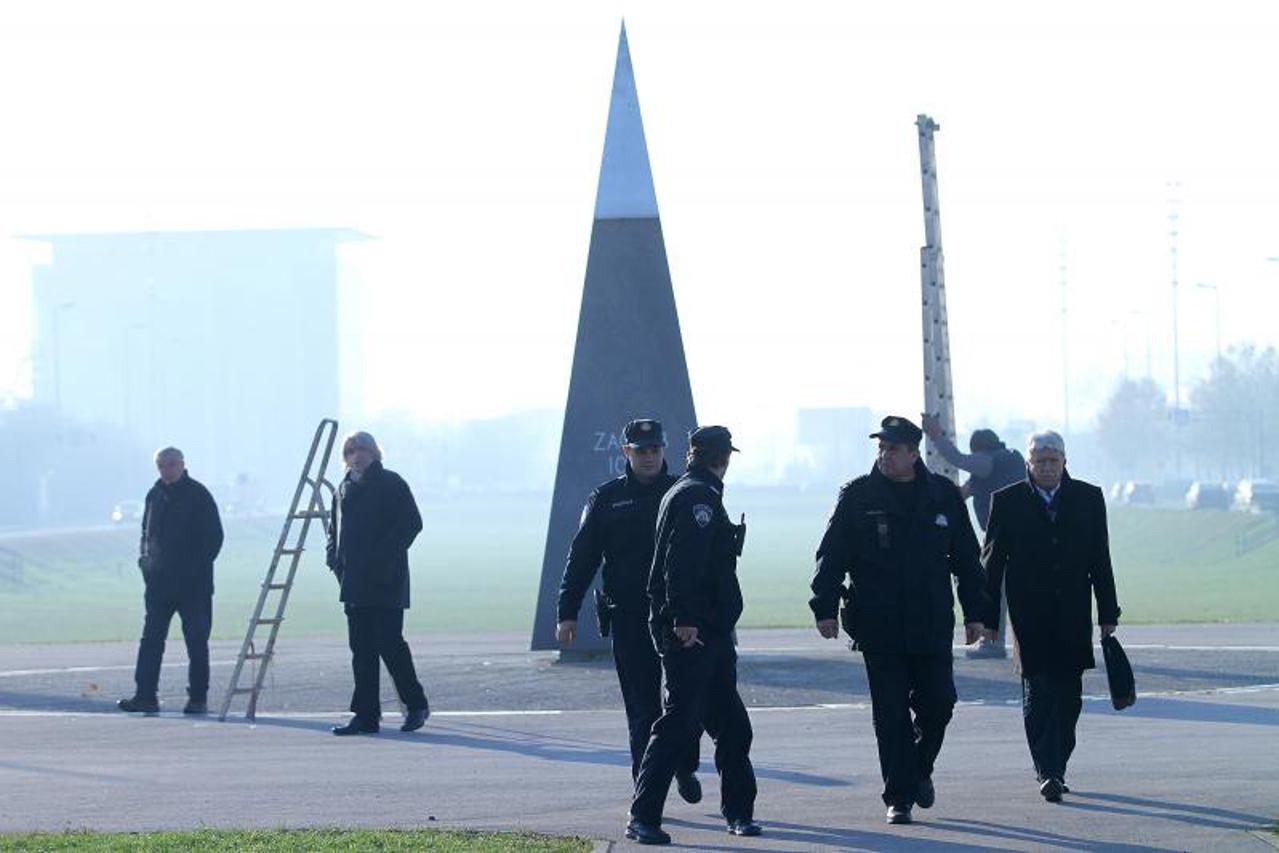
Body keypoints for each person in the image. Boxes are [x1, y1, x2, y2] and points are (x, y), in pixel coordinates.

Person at [810, 416, 987, 825]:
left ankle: (919, 768)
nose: (885, 455)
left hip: (931, 622)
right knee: (890, 715)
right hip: (879, 625)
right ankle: (899, 796)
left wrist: (976, 612)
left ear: (913, 453)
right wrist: (824, 606)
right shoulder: (858, 497)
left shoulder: (942, 496)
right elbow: (832, 555)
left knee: (940, 703)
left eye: (893, 449)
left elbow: (966, 559)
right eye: (881, 448)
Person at [555, 418, 701, 802]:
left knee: (686, 706)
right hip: (630, 618)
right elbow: (582, 557)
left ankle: (685, 766)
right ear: (626, 453)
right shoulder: (606, 499)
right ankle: (646, 794)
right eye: (640, 450)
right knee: (642, 710)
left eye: (654, 449)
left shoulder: (683, 492)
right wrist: (567, 610)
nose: (649, 457)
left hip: (677, 617)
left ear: (663, 451)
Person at [627, 426, 759, 845]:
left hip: (708, 630)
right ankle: (642, 816)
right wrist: (685, 619)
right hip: (693, 633)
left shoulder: (688, 491)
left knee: (733, 727)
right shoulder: (699, 498)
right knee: (678, 725)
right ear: (724, 459)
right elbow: (681, 564)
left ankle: (738, 813)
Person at [980, 430, 1121, 802]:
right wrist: (986, 619)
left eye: (1052, 460)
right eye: (1039, 460)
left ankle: (1057, 763)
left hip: (1073, 613)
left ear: (1064, 462)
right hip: (1028, 616)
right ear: (1029, 463)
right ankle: (1048, 769)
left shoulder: (1088, 499)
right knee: (1038, 691)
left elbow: (1100, 559)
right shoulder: (1007, 502)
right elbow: (991, 565)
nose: (1046, 466)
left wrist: (1108, 612)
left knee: (1069, 697)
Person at [326, 431, 430, 736]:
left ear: (374, 453)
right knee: (361, 650)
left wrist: (383, 556)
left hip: (386, 581)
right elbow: (335, 531)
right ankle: (366, 715)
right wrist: (335, 561)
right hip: (354, 583)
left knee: (390, 644)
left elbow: (412, 523)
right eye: (350, 451)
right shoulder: (343, 488)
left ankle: (416, 705)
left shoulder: (391, 483)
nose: (356, 456)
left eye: (362, 450)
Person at [117, 447, 223, 715]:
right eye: (162, 465)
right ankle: (145, 695)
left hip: (193, 587)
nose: (168, 469)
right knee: (151, 640)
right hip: (159, 586)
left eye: (172, 464)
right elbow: (146, 534)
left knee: (196, 642)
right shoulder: (154, 496)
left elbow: (214, 538)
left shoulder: (198, 495)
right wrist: (145, 564)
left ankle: (198, 697)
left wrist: (193, 570)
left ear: (183, 464)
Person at [922, 415, 1026, 658]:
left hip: (1004, 540)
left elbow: (957, 459)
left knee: (994, 591)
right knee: (1018, 592)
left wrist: (936, 435)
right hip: (1017, 538)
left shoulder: (990, 462)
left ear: (981, 449)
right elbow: (961, 494)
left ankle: (992, 644)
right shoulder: (1004, 463)